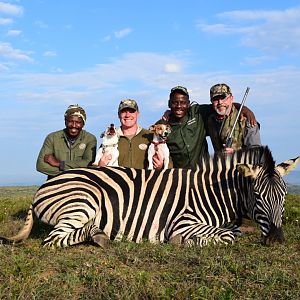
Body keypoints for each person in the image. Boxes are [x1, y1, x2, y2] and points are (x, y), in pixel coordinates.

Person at [159, 86, 257, 169]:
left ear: (188, 104)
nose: (179, 106)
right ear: (169, 103)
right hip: (179, 178)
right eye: (175, 102)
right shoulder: (161, 127)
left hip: (203, 175)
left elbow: (224, 106)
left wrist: (244, 108)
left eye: (183, 102)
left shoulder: (198, 112)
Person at [97, 99, 172, 169]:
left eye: (131, 111)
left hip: (144, 182)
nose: (127, 115)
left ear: (138, 114)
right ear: (118, 114)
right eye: (123, 111)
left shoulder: (150, 135)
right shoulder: (109, 137)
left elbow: (170, 163)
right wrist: (100, 164)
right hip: (117, 182)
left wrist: (161, 166)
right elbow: (94, 165)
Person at [36, 104, 97, 180]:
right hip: (56, 183)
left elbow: (87, 163)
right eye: (70, 121)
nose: (74, 126)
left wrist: (59, 164)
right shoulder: (52, 138)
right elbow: (41, 166)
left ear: (83, 124)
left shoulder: (90, 139)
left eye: (78, 122)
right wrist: (73, 174)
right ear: (65, 121)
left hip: (81, 184)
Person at [207, 83, 261, 155]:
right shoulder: (209, 120)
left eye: (223, 98)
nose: (220, 102)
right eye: (215, 99)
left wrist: (236, 154)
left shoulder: (247, 120)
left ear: (231, 98)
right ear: (211, 101)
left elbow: (256, 153)